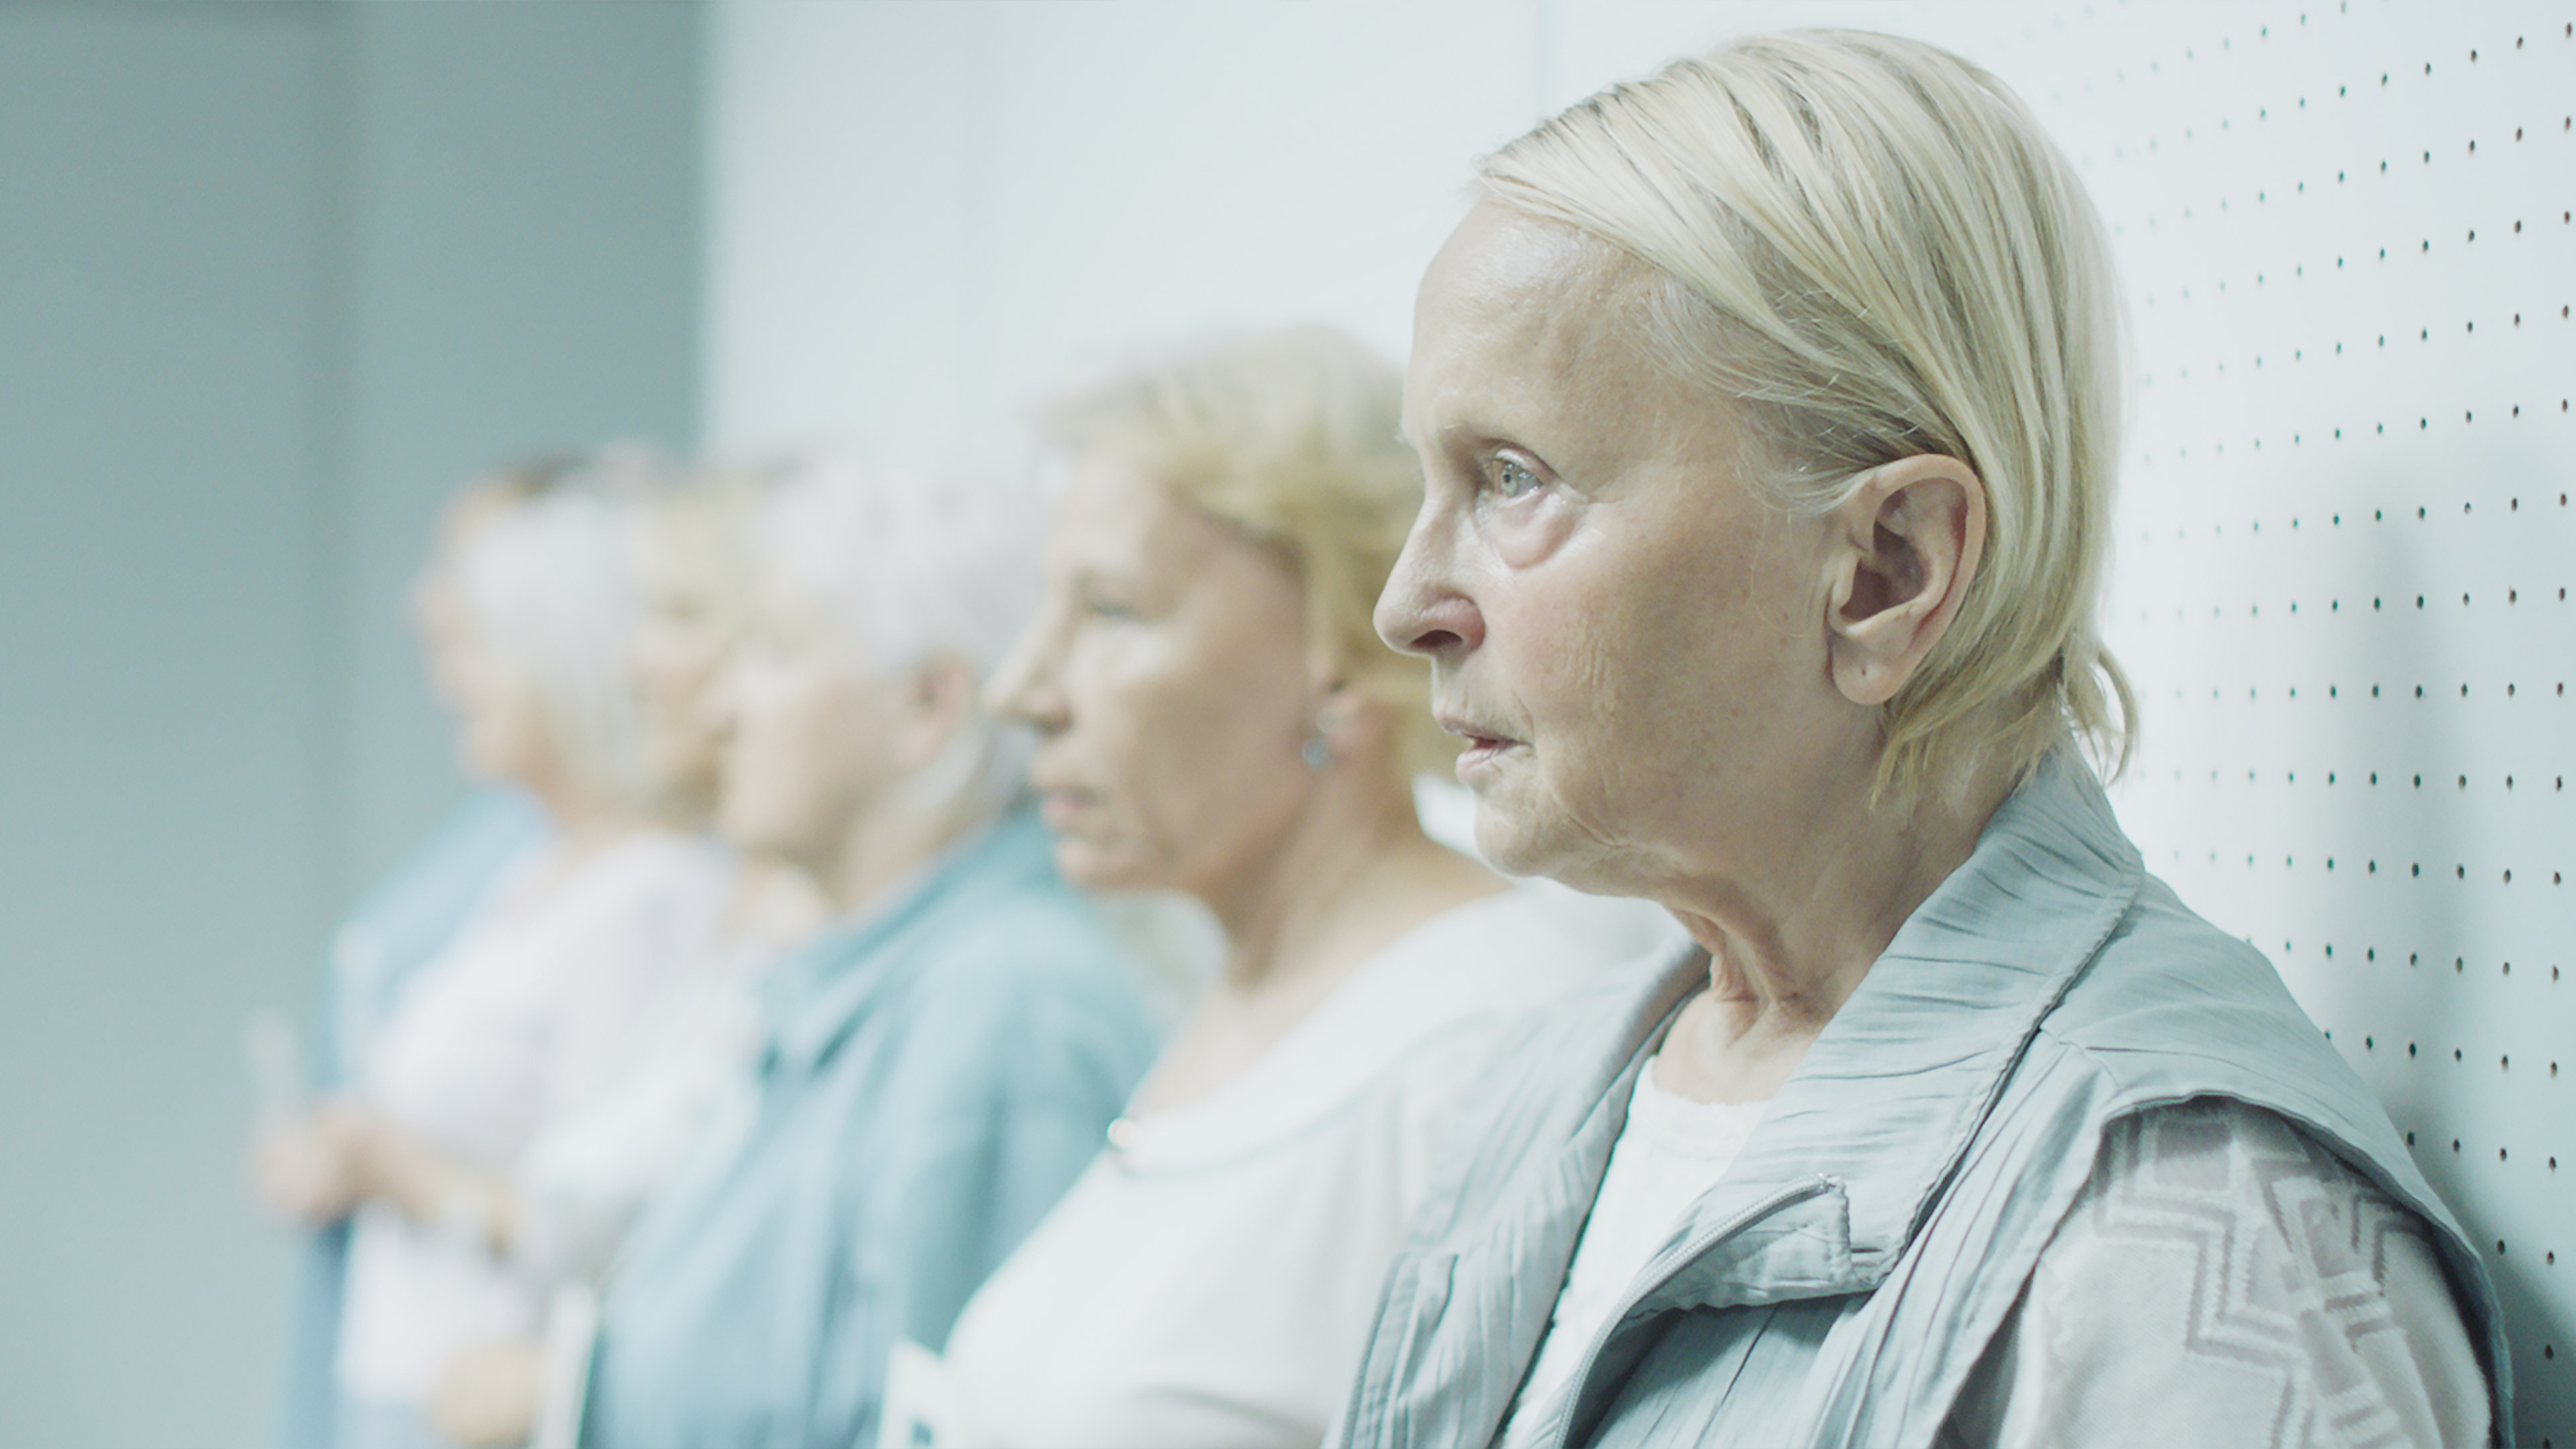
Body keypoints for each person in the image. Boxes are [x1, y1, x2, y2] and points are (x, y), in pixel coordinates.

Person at [1336, 30, 2506, 1448]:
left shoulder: (2192, 1248)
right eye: (1432, 481)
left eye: (1512, 479)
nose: (1406, 606)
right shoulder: (1547, 1092)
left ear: (1887, 569)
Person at [920, 328, 1644, 1449]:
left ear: (1348, 653)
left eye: (1110, 612)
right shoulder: (1244, 992)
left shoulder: (1488, 1045)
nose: (1023, 691)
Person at [580, 454, 1158, 1449]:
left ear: (926, 709)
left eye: (773, 651)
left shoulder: (1006, 1013)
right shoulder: (858, 983)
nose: (723, 710)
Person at [254, 458, 739, 1449]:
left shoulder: (650, 895)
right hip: (404, 1392)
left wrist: (407, 1172)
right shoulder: (520, 873)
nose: (450, 677)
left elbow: (617, 1220)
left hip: (498, 1404)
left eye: (480, 648)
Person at [421, 464, 829, 1449]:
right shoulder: (745, 911)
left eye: (680, 615)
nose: (636, 661)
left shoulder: (686, 900)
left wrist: (568, 1384)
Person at [270, 470, 557, 1449]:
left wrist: (418, 1177)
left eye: (468, 575)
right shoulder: (506, 852)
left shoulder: (651, 886)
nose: (425, 605)